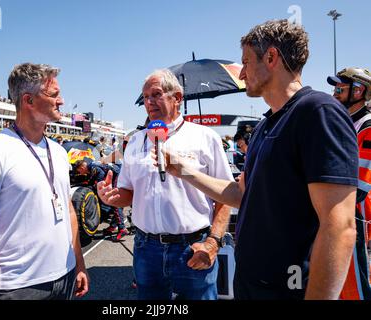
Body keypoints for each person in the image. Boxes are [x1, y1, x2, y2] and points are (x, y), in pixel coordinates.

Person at [152, 20, 358, 300]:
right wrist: (184, 171)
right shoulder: (265, 125)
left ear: (271, 58)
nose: (242, 73)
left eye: (246, 62)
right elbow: (242, 193)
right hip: (252, 283)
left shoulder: (318, 112)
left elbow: (339, 227)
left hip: (290, 289)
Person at [97, 69, 234, 300]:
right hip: (145, 249)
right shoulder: (135, 142)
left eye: (156, 94)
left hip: (193, 247)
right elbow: (128, 193)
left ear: (177, 98)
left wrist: (213, 242)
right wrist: (110, 197)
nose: (149, 102)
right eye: (145, 97)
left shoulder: (204, 137)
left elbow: (226, 195)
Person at [0, 63, 89, 300]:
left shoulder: (58, 152)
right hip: (16, 287)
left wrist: (79, 262)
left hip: (65, 276)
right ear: (28, 100)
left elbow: (68, 211)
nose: (61, 101)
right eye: (54, 95)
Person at [327, 67, 371, 300]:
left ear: (358, 91)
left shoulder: (368, 126)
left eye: (339, 89)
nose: (334, 94)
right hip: (337, 213)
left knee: (355, 285)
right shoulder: (345, 123)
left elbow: (361, 187)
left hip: (354, 216)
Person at [74, 159, 128, 241]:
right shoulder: (91, 165)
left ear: (81, 167)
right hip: (117, 173)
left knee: (114, 201)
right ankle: (113, 226)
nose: (80, 173)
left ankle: (122, 228)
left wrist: (96, 186)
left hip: (117, 175)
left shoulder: (93, 167)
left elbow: (101, 175)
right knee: (112, 202)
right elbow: (92, 181)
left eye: (79, 171)